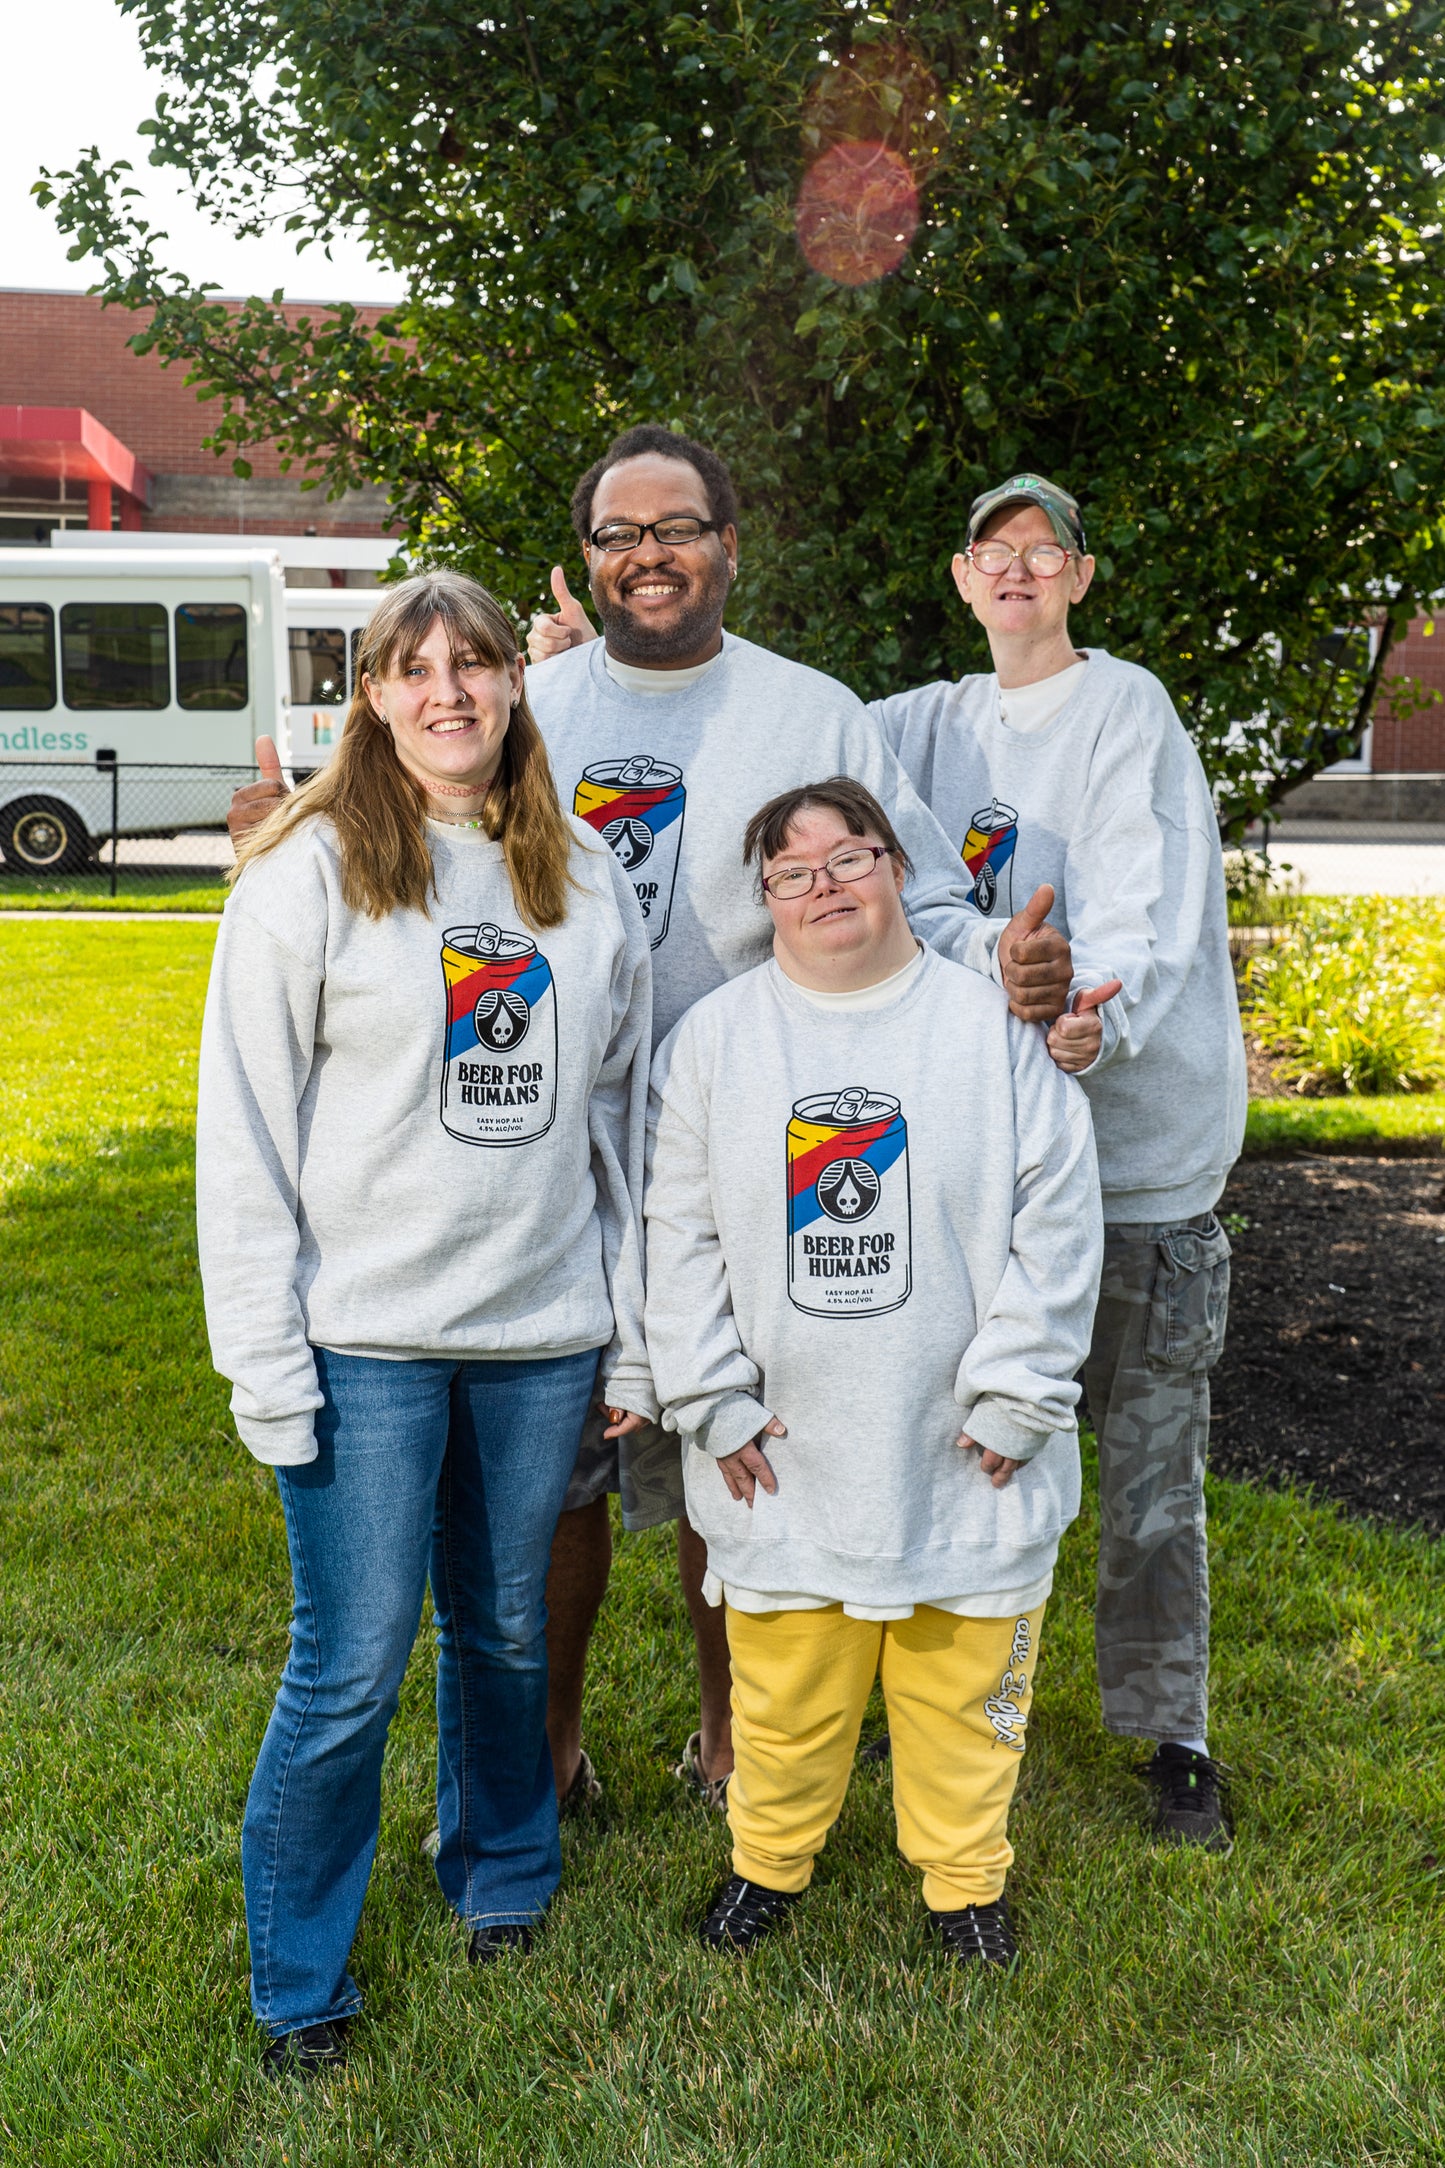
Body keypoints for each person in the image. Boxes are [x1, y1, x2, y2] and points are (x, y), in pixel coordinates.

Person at [228, 427, 1077, 1817]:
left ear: (730, 544)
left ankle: (731, 1738)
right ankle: (549, 1752)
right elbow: (406, 816)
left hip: (759, 1131)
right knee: (556, 1477)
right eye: (619, 536)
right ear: (588, 564)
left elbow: (916, 893)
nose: (649, 556)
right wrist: (289, 828)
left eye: (676, 526)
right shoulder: (533, 696)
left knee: (724, 1445)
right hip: (559, 1149)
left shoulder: (812, 710)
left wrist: (1008, 965)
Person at [198, 570, 654, 2077]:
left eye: (476, 664)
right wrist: (268, 1366)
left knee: (510, 1629)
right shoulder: (307, 876)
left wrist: (629, 1332)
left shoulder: (580, 881)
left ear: (515, 688)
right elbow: (247, 1141)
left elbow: (620, 1133)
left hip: (540, 1335)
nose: (450, 690)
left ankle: (504, 1874)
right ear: (375, 699)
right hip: (366, 1340)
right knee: (348, 1662)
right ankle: (300, 1977)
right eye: (416, 669)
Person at [644, 777, 1102, 1962]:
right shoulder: (714, 1042)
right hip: (789, 1447)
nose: (824, 887)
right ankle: (766, 1864)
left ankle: (965, 1885)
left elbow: (1057, 1224)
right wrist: (707, 1398)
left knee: (964, 1691)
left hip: (962, 1445)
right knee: (783, 1694)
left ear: (897, 866)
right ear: (765, 902)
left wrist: (1019, 1392)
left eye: (847, 857)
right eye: (791, 873)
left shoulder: (989, 1029)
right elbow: (677, 1234)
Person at [869, 474, 1247, 1850]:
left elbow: (1141, 905)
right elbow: (808, 762)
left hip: (1137, 1162)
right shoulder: (922, 722)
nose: (1017, 570)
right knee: (968, 1446)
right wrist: (564, 675)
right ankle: (949, 1708)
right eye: (993, 552)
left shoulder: (1123, 704)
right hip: (987, 1166)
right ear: (960, 578)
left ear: (1079, 577)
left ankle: (1171, 1739)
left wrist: (1085, 1015)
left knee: (1148, 1476)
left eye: (1044, 551)